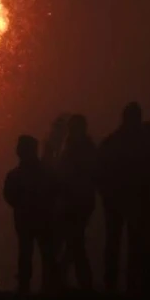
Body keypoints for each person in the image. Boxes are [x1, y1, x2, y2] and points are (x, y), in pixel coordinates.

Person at [97, 103, 147, 292]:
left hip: (117, 201)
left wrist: (106, 195)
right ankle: (131, 284)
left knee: (115, 243)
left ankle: (112, 283)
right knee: (134, 243)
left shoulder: (112, 142)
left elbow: (99, 172)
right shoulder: (144, 144)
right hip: (133, 201)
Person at [4, 135, 58, 294]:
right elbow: (55, 192)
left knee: (25, 252)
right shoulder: (46, 172)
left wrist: (20, 205)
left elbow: (9, 195)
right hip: (44, 218)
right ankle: (48, 287)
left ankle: (24, 286)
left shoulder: (15, 174)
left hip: (25, 218)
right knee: (46, 252)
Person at [55, 114, 97, 290]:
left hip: (75, 202)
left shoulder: (74, 148)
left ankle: (69, 279)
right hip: (80, 201)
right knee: (75, 242)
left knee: (75, 242)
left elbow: (67, 174)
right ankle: (77, 280)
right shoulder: (86, 147)